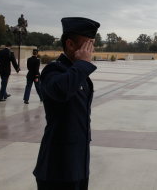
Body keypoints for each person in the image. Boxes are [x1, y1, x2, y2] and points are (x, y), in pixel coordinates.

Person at [33, 17, 100, 190]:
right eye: (88, 44)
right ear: (70, 45)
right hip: (57, 168)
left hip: (78, 163)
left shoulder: (77, 72)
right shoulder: (53, 70)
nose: (91, 49)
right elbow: (61, 90)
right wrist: (83, 63)